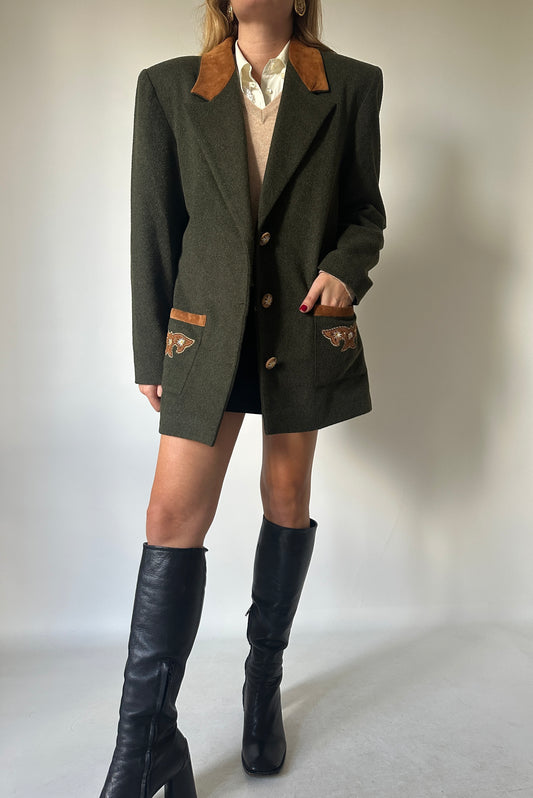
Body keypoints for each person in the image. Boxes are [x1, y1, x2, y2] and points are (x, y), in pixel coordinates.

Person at [98, 0, 386, 795]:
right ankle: (146, 746)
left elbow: (364, 212)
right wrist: (149, 348)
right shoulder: (168, 86)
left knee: (286, 497)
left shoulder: (351, 84)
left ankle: (262, 685)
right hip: (204, 332)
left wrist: (345, 268)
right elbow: (153, 223)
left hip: (301, 321)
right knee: (169, 517)